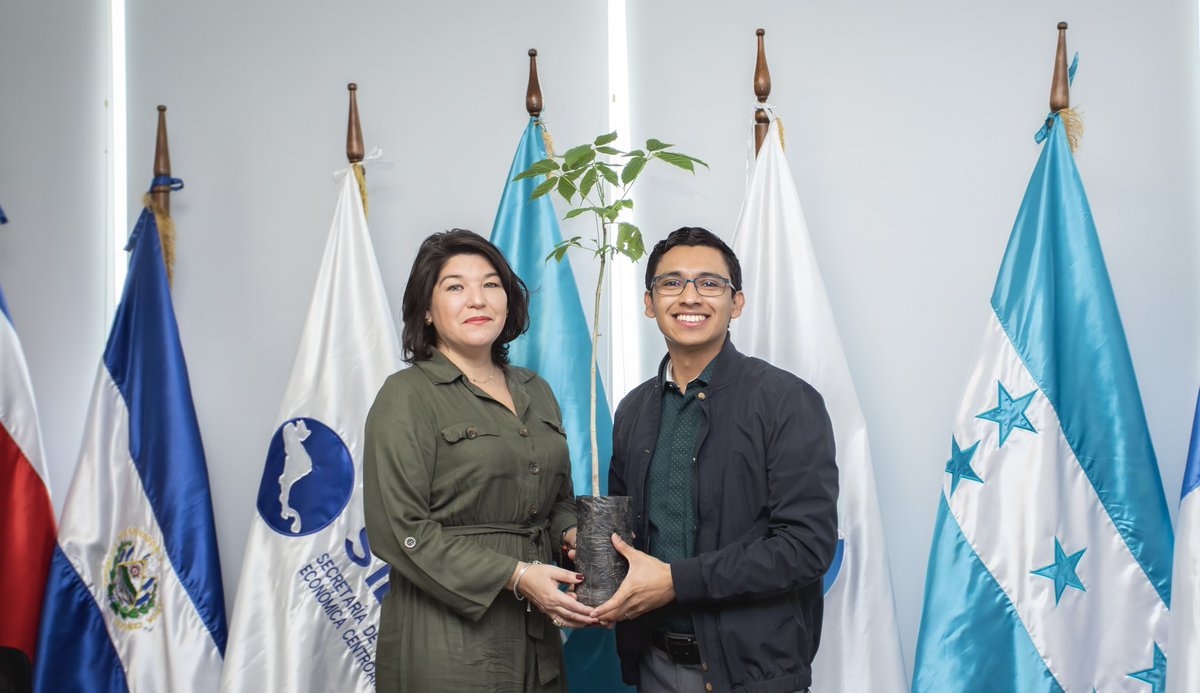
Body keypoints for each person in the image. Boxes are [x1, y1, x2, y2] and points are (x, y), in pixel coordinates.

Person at [594, 227, 839, 693]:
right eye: (671, 283)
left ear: (737, 303)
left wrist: (677, 581)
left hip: (753, 674)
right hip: (653, 664)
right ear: (649, 303)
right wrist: (589, 551)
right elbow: (629, 532)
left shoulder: (786, 401)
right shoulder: (634, 409)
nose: (690, 297)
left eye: (710, 283)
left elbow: (806, 547)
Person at [364, 229, 597, 693]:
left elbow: (556, 505)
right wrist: (516, 576)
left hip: (539, 634)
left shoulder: (537, 389)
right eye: (455, 286)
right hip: (447, 640)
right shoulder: (406, 395)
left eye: (491, 284)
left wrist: (575, 536)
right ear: (426, 311)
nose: (477, 299)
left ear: (508, 301)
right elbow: (399, 530)